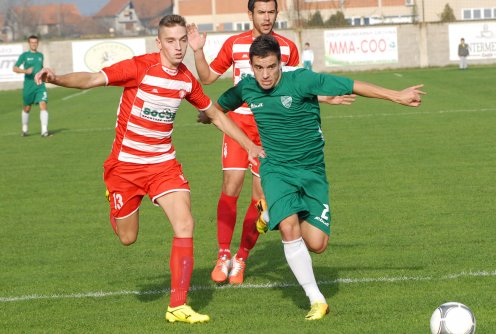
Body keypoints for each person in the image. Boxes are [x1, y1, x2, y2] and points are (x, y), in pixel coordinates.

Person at [35, 15, 263, 325]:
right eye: (171, 41)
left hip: (163, 165)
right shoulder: (138, 68)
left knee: (185, 223)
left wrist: (249, 145)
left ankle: (177, 306)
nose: (178, 46)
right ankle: (114, 202)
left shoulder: (186, 80)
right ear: (159, 43)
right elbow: (90, 79)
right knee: (127, 238)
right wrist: (56, 78)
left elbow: (217, 116)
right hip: (125, 167)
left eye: (183, 39)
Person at [215, 34, 425, 320]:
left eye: (271, 67)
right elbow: (218, 108)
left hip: (312, 172)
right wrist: (213, 120)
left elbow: (353, 85)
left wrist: (396, 95)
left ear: (281, 64)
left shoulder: (303, 80)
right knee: (289, 227)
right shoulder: (247, 87)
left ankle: (267, 215)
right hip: (275, 169)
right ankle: (316, 299)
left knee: (317, 244)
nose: (264, 74)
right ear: (251, 66)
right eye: (258, 68)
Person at [13, 35, 51, 137]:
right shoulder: (24, 55)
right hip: (29, 86)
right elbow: (15, 68)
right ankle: (25, 129)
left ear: (37, 43)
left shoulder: (40, 55)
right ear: (29, 43)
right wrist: (25, 71)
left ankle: (44, 131)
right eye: (32, 42)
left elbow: (41, 68)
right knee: (27, 108)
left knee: (43, 105)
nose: (34, 44)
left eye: (35, 42)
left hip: (40, 85)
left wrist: (46, 73)